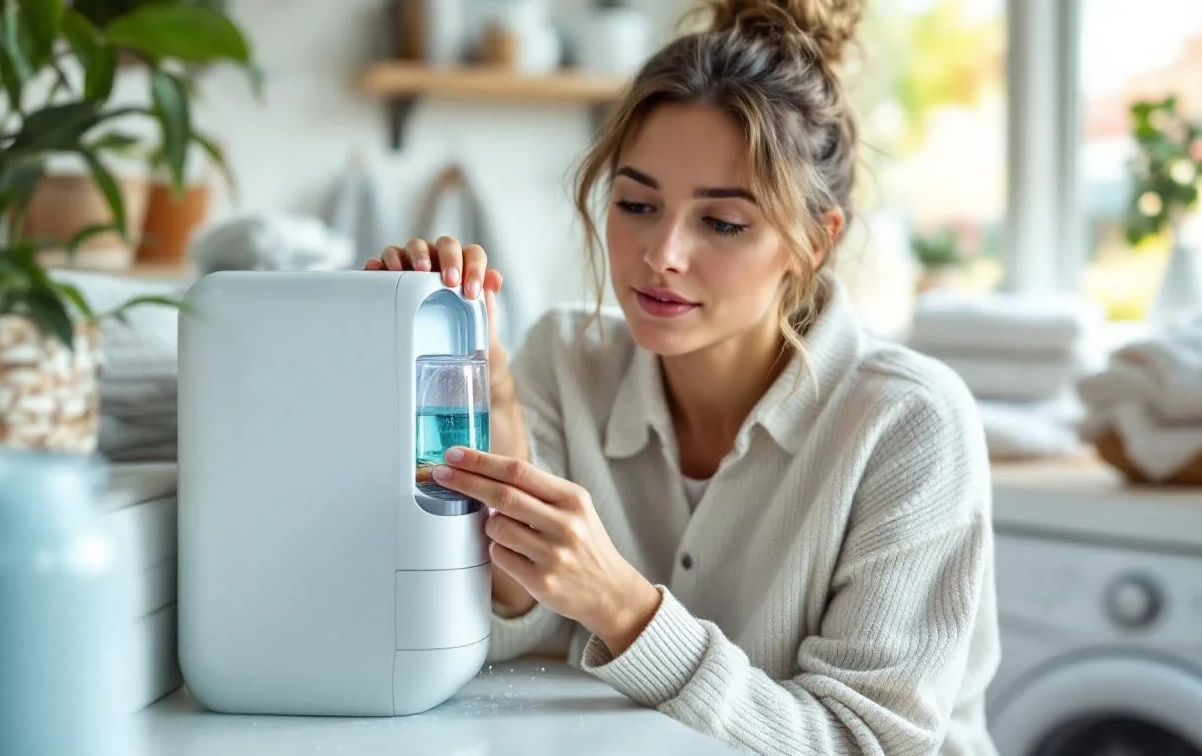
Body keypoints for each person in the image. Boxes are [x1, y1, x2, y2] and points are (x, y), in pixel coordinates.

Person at [365, 0, 1000, 752]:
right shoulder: (565, 360)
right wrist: (490, 398)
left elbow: (869, 742)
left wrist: (626, 610)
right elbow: (506, 639)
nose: (661, 252)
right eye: (636, 204)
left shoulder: (908, 423)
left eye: (723, 222)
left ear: (814, 242)